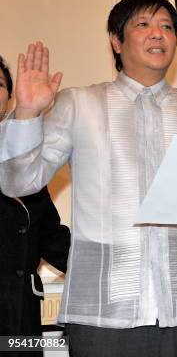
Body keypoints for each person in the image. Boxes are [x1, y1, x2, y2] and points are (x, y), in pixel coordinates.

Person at [0, 0, 177, 357]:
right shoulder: (79, 103)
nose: (158, 34)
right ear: (116, 40)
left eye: (167, 27)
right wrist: (28, 113)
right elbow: (18, 182)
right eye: (143, 25)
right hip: (103, 311)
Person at [0, 56, 70, 357]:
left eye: (0, 84)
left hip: (18, 326)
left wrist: (111, 264)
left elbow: (53, 240)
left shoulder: (25, 162)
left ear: (9, 97)